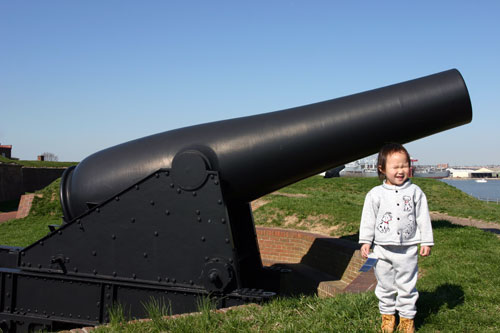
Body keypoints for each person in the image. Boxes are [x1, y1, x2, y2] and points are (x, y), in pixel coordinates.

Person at [359, 143, 433, 333]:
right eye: (395, 167)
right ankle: (388, 316)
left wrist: (426, 241)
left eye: (404, 166)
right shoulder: (375, 194)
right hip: (382, 249)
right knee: (385, 285)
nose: (401, 171)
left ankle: (407, 319)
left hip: (407, 249)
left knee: (407, 286)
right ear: (382, 169)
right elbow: (368, 220)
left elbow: (422, 218)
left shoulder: (416, 192)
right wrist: (366, 241)